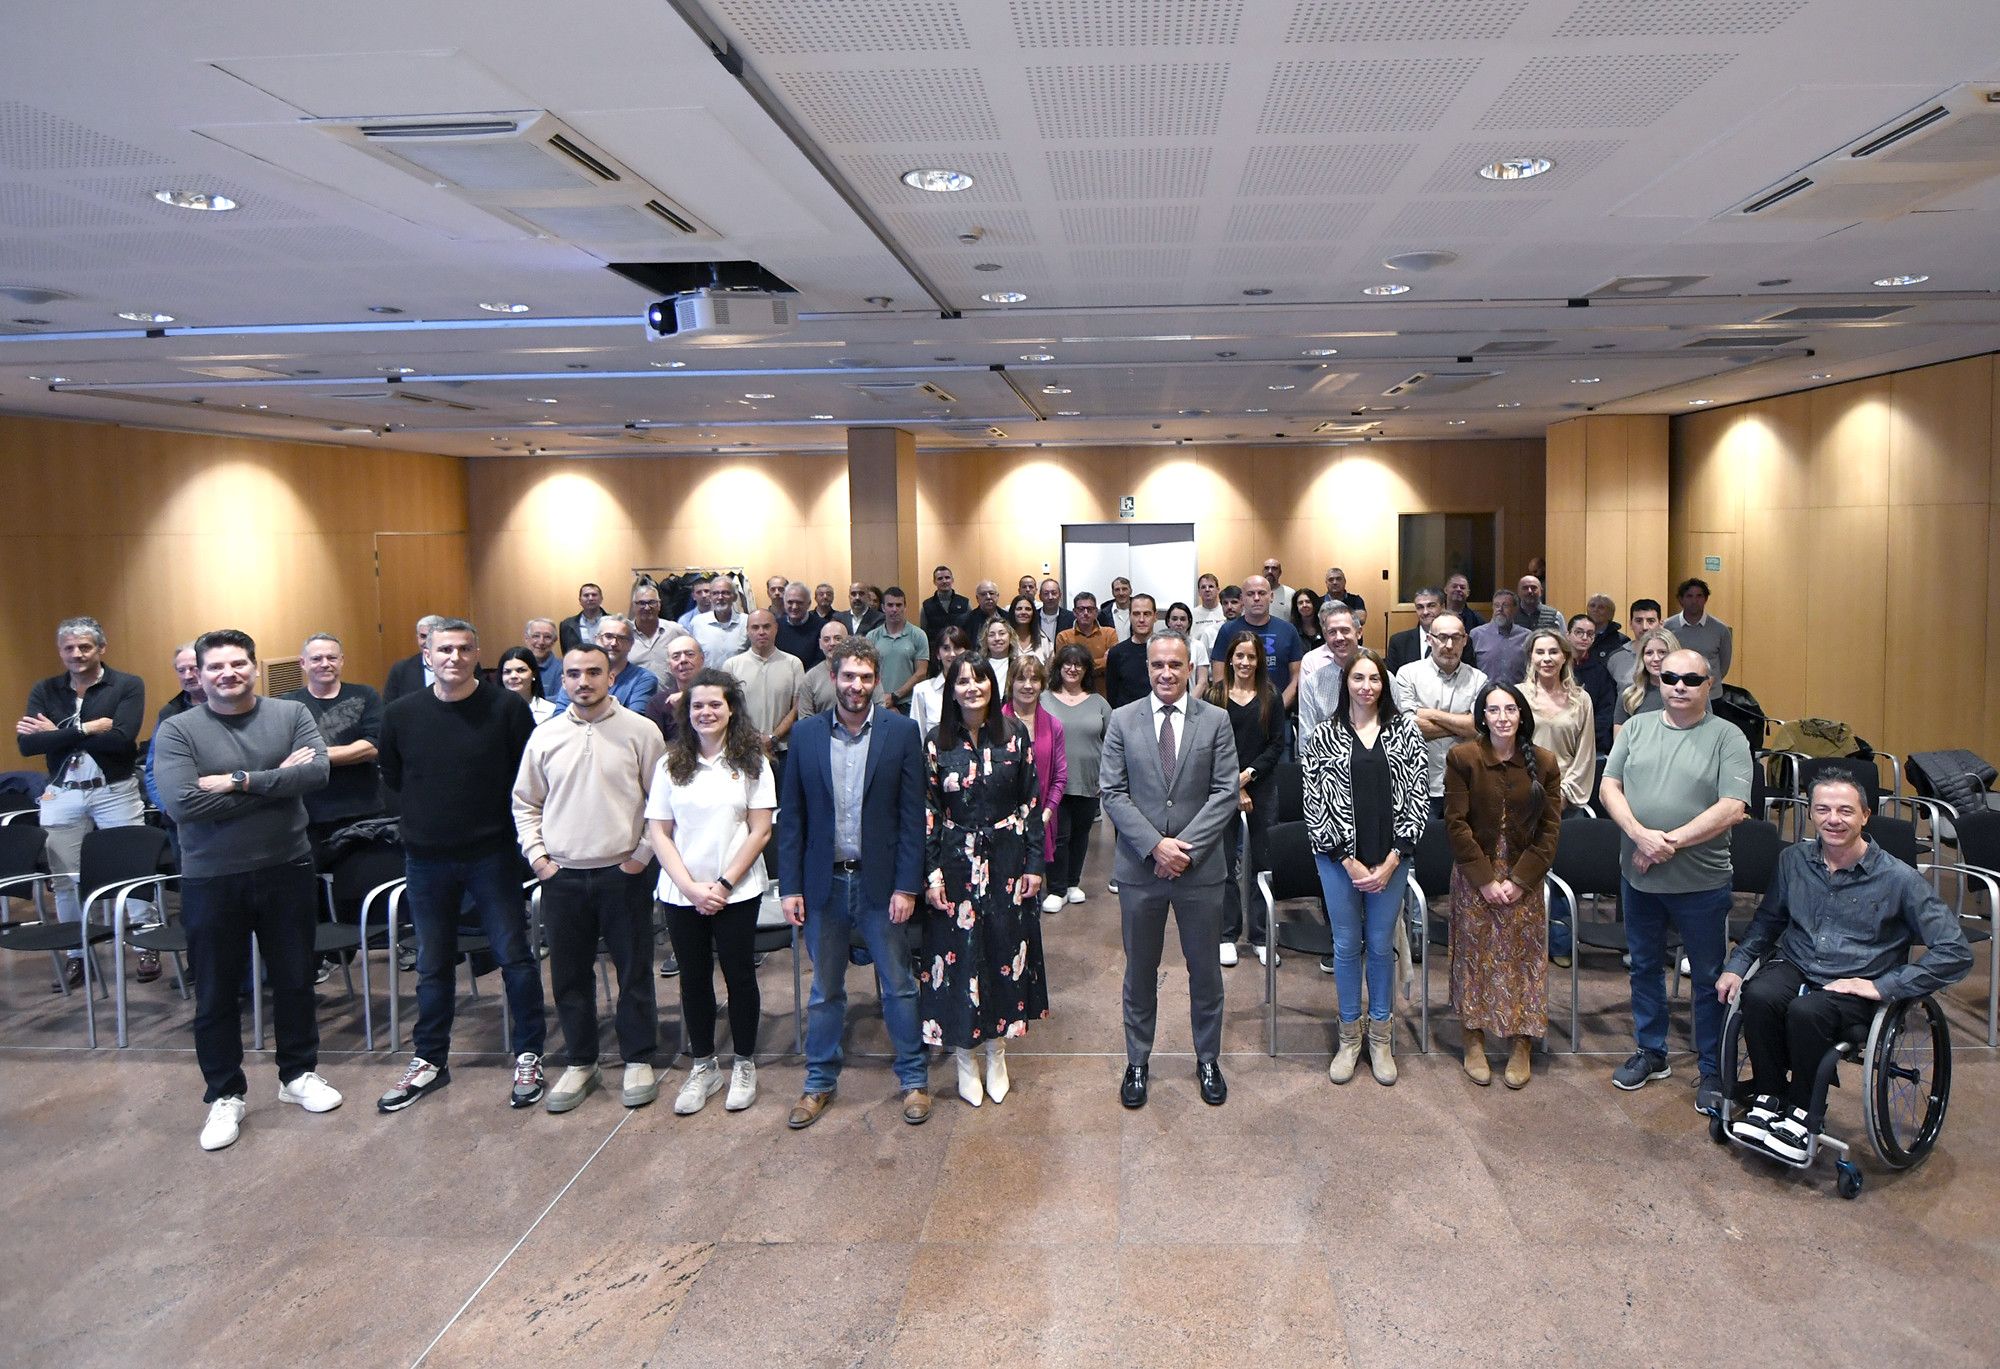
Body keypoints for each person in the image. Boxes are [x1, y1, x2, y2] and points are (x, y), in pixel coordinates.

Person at [1718, 765, 1972, 1161]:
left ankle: (1804, 1111)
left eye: (1844, 810)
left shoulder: (1899, 879)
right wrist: (1737, 964)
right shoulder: (1793, 861)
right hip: (1799, 963)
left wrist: (1882, 987)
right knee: (1759, 993)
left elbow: (1955, 951)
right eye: (1822, 809)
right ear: (1810, 812)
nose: (1832, 820)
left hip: (1858, 979)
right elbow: (1768, 922)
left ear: (1865, 815)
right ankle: (1769, 1095)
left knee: (1807, 1012)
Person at [151, 629, 337, 1151]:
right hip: (212, 877)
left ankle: (297, 1076)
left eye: (238, 664)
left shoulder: (291, 715)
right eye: (216, 667)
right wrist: (274, 779)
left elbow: (318, 774)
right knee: (215, 992)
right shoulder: (177, 730)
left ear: (255, 667)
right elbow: (184, 805)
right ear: (198, 675)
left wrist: (235, 780)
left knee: (296, 978)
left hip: (288, 867)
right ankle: (225, 1094)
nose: (227, 674)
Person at [375, 619, 547, 1113]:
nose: (453, 657)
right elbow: (392, 776)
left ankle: (529, 1053)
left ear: (478, 655)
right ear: (426, 655)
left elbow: (527, 777)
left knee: (513, 956)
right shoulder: (402, 714)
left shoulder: (507, 709)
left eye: (463, 649)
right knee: (432, 963)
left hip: (491, 854)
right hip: (426, 857)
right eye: (443, 649)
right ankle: (430, 1059)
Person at [778, 638, 933, 1128]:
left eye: (866, 677)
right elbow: (793, 819)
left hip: (881, 885)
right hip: (823, 883)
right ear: (832, 675)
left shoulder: (901, 732)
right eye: (849, 676)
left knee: (900, 985)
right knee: (825, 990)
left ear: (876, 679)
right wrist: (790, 887)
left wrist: (907, 886)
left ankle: (913, 1078)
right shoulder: (804, 736)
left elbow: (913, 818)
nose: (858, 686)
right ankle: (818, 1082)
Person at [512, 643, 666, 1114]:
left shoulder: (642, 731)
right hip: (562, 876)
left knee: (634, 970)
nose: (584, 681)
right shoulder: (545, 736)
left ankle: (638, 1057)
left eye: (594, 672)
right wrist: (539, 859)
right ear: (563, 681)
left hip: (624, 872)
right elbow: (525, 804)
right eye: (574, 673)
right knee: (569, 975)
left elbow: (660, 803)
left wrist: (640, 857)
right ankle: (581, 1061)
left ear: (611, 677)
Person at [1598, 648, 1753, 1115]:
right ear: (1658, 682)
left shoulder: (1729, 736)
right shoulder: (1638, 726)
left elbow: (1733, 807)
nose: (1679, 686)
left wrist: (1667, 843)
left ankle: (1711, 1068)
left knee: (1709, 979)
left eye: (1691, 678)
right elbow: (1609, 785)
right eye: (1670, 678)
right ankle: (1652, 1052)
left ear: (1710, 685)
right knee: (1644, 967)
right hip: (1638, 880)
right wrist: (1639, 836)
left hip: (1701, 883)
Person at [1100, 629, 1241, 1109]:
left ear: (1190, 668)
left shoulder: (1216, 721)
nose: (1166, 673)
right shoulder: (1121, 720)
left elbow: (1225, 792)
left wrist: (1184, 849)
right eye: (1157, 665)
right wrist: (1156, 847)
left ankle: (1207, 1059)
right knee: (1140, 971)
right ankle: (1137, 1061)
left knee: (1205, 972)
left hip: (1200, 873)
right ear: (1147, 667)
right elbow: (1112, 793)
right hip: (1141, 872)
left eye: (1175, 665)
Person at [922, 655, 1050, 1107]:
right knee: (960, 960)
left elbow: (1032, 804)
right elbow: (930, 812)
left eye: (979, 679)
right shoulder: (937, 742)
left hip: (1007, 862)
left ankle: (997, 1053)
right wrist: (932, 873)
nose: (972, 687)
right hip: (956, 865)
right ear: (951, 690)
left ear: (993, 686)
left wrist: (1035, 865)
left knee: (1002, 953)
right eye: (963, 681)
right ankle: (963, 1058)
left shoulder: (1014, 736)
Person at [646, 669, 774, 1117]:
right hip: (682, 892)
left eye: (714, 704)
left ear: (731, 708)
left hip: (736, 891)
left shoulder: (752, 762)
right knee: (693, 979)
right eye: (697, 705)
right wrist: (689, 887)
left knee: (740, 977)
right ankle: (704, 1064)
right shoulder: (670, 763)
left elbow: (760, 831)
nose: (705, 712)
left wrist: (720, 886)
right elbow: (659, 832)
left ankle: (743, 1062)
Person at [1303, 649, 1429, 1085]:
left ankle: (1380, 1036)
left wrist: (1394, 858)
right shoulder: (1323, 735)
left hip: (1391, 861)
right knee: (1345, 945)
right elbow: (1313, 803)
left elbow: (1418, 799)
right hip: (1338, 862)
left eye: (1374, 679)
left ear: (1384, 685)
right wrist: (1348, 861)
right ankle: (1349, 1036)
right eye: (1358, 678)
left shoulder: (1405, 733)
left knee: (1379, 946)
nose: (1366, 686)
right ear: (1346, 684)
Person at [1444, 682, 1564, 1090]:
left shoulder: (1544, 763)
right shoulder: (1463, 757)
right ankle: (1473, 1037)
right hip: (1474, 873)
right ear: (1482, 716)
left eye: (1510, 709)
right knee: (1475, 956)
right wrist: (1483, 880)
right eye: (1493, 710)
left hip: (1524, 875)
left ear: (1521, 715)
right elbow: (1455, 824)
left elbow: (1550, 830)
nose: (1502, 717)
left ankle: (1522, 1040)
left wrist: (1520, 879)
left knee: (1522, 957)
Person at [18, 615, 148, 989]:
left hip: (114, 790)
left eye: (85, 647)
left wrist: (55, 733)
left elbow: (122, 740)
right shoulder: (45, 689)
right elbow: (28, 745)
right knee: (64, 878)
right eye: (69, 648)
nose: (76, 654)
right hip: (62, 793)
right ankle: (78, 954)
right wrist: (89, 728)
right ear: (60, 652)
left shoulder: (126, 684)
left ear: (101, 649)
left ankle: (145, 942)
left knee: (131, 867)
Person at [1207, 631, 1287, 964]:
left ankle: (1260, 935)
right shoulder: (1215, 696)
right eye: (1239, 656)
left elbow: (1276, 745)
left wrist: (1248, 776)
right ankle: (1227, 934)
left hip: (1263, 787)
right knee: (1224, 863)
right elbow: (1210, 746)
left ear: (1259, 661)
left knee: (1262, 862)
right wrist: (1234, 785)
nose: (1244, 662)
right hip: (1221, 789)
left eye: (1251, 657)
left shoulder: (1271, 696)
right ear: (1230, 659)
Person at [282, 633, 383, 861]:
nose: (325, 664)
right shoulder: (286, 705)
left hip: (362, 810)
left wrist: (314, 757)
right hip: (308, 815)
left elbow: (372, 747)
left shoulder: (366, 695)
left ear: (341, 661)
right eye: (317, 659)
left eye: (332, 658)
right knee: (314, 889)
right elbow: (284, 754)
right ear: (303, 663)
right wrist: (350, 752)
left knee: (358, 889)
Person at [1391, 613, 1488, 820]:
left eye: (1456, 637)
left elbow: (1478, 728)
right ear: (1429, 639)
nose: (1449, 645)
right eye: (1442, 637)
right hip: (1419, 786)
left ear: (1465, 640)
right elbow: (1409, 729)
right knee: (1425, 851)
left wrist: (1429, 714)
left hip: (1466, 786)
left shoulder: (1479, 679)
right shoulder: (1407, 675)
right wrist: (1462, 722)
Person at [1043, 645, 1112, 913]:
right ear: (1059, 667)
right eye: (1067, 664)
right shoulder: (1045, 700)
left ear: (1086, 670)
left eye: (1079, 664)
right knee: (1059, 835)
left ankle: (1073, 883)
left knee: (1081, 834)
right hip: (1053, 782)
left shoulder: (1099, 703)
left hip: (1089, 780)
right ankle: (1057, 888)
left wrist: (1107, 778)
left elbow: (1113, 742)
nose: (1072, 669)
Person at [1004, 655, 1068, 915]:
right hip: (1002, 826)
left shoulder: (1053, 725)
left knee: (1031, 898)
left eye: (1034, 679)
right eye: (1021, 678)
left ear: (1042, 684)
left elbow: (1060, 776)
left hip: (1039, 823)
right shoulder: (995, 723)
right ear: (1011, 683)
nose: (1028, 685)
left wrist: (1046, 814)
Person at [722, 610, 804, 779]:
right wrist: (752, 737)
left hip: (783, 751)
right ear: (747, 630)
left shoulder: (793, 663)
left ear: (776, 628)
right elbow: (728, 707)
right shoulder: (731, 666)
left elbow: (797, 707)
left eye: (766, 627)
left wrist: (773, 737)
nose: (761, 632)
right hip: (744, 749)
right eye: (755, 627)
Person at [1210, 575, 1305, 711]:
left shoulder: (1288, 630)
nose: (1256, 598)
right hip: (1235, 715)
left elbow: (1296, 678)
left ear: (1271, 596)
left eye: (1261, 593)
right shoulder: (1227, 630)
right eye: (1250, 594)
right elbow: (1219, 678)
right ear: (1242, 599)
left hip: (1280, 714)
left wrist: (1277, 710)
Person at [550, 614, 658, 716]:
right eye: (608, 636)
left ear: (631, 644)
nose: (614, 643)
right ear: (597, 639)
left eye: (621, 638)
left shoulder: (644, 679)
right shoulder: (577, 674)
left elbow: (635, 719)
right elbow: (560, 716)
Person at [1297, 600, 1365, 736]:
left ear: (1359, 632)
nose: (1339, 637)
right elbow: (1307, 734)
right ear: (1325, 636)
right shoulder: (1313, 682)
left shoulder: (1379, 674)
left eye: (1345, 630)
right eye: (1332, 632)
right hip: (1326, 754)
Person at [865, 586, 929, 713]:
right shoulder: (872, 636)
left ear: (905, 607)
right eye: (890, 605)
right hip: (879, 702)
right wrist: (882, 698)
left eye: (899, 605)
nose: (894, 609)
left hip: (909, 704)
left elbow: (921, 673)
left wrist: (895, 696)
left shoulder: (918, 635)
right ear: (883, 607)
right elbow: (867, 671)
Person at [1613, 625, 1684, 737]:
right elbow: (1619, 744)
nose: (1656, 659)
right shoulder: (1629, 694)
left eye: (1662, 652)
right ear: (1642, 657)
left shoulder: (1692, 692)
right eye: (1649, 653)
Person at [1665, 577, 1733, 682]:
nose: (1694, 601)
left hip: (1712, 694)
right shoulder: (1667, 627)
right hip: (1678, 690)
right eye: (1689, 596)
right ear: (1681, 600)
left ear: (1706, 599)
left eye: (1699, 596)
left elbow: (1724, 666)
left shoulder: (1720, 629)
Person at [641, 634, 706, 744]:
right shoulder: (658, 703)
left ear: (702, 659)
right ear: (669, 665)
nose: (683, 660)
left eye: (690, 654)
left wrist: (688, 698)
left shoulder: (719, 695)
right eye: (676, 657)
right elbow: (654, 745)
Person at [1568, 614, 1617, 757]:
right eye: (1579, 632)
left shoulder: (1600, 671)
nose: (1584, 637)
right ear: (1568, 634)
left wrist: (1585, 738)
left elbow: (1605, 712)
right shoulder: (1556, 667)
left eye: (1590, 634)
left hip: (1591, 744)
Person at [910, 626, 967, 743]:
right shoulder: (922, 690)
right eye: (946, 648)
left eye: (957, 647)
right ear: (938, 654)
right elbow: (917, 735)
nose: (952, 654)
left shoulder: (975, 689)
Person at [1052, 592, 1115, 696]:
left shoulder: (1110, 633)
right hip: (1072, 694)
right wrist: (1101, 663)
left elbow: (1112, 663)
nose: (1085, 613)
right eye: (1081, 609)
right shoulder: (1063, 637)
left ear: (1096, 612)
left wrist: (1078, 665)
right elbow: (1064, 668)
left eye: (1090, 609)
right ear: (1074, 612)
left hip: (1104, 694)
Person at [1104, 593, 1159, 708]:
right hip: (1127, 720)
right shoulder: (1116, 653)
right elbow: (1112, 694)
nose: (1141, 619)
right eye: (1136, 614)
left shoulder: (1165, 650)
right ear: (1129, 616)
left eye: (1147, 614)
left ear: (1155, 616)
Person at [1469, 589, 1529, 685]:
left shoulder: (1527, 637)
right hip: (1484, 694)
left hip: (1516, 695)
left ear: (1515, 609)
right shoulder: (1476, 635)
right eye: (1496, 605)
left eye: (1505, 605)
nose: (1500, 609)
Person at [626, 580, 681, 685]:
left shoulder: (675, 630)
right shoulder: (624, 634)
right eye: (641, 603)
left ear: (659, 605)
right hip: (635, 699)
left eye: (652, 602)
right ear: (634, 606)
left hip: (670, 698)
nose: (647, 607)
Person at [690, 574, 748, 666]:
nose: (720, 597)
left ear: (735, 597)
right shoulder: (697, 623)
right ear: (710, 597)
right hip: (708, 679)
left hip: (739, 679)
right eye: (715, 593)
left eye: (725, 593)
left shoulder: (746, 622)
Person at [383, 614, 442, 704]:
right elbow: (388, 707)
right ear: (417, 637)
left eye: (433, 637)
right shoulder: (401, 669)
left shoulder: (460, 666)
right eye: (423, 636)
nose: (427, 642)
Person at [1606, 599, 1662, 692]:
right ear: (1630, 624)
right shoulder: (1616, 658)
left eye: (1651, 621)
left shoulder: (1671, 657)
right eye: (1639, 621)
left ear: (1660, 624)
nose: (1645, 627)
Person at [496, 645, 559, 726]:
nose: (513, 676)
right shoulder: (491, 711)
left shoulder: (551, 712)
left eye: (521, 670)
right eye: (507, 672)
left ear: (534, 674)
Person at [921, 565, 970, 655]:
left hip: (960, 652)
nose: (944, 581)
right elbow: (924, 633)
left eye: (947, 577)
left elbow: (970, 630)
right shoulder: (927, 605)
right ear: (934, 582)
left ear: (952, 580)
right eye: (940, 578)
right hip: (936, 654)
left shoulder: (965, 603)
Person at [774, 582, 825, 668]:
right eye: (790, 602)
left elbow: (821, 661)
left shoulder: (822, 627)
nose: (794, 607)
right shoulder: (775, 626)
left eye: (799, 603)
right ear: (784, 602)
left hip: (809, 678)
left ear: (809, 604)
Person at [977, 614, 1019, 699]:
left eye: (1002, 633)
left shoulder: (1017, 666)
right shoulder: (978, 666)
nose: (997, 638)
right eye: (991, 635)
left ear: (1010, 637)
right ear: (985, 640)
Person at [557, 582, 606, 653]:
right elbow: (566, 653)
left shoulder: (614, 622)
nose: (590, 598)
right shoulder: (567, 625)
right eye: (586, 595)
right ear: (580, 600)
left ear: (601, 599)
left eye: (594, 595)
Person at [524, 618, 564, 698]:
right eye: (536, 636)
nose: (541, 642)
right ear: (526, 639)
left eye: (547, 637)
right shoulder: (516, 668)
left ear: (554, 641)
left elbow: (560, 699)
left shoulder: (563, 668)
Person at [1007, 593, 1050, 666]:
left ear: (1033, 613)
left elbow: (1050, 671)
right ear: (1012, 612)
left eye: (1028, 609)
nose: (1023, 612)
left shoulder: (1043, 641)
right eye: (1019, 609)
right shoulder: (1005, 639)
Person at [1035, 577, 1073, 644]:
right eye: (1046, 593)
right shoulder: (1033, 616)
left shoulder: (1071, 617)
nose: (1050, 597)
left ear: (1060, 595)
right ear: (1040, 597)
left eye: (1054, 593)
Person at [1261, 557, 1296, 627]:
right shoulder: (1254, 593)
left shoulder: (1290, 593)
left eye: (1274, 568)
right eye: (1266, 568)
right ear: (1263, 571)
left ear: (1280, 573)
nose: (1270, 571)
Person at [1289, 587, 1324, 652]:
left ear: (1314, 604)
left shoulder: (1325, 627)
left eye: (1308, 602)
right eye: (1300, 603)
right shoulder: (1291, 630)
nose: (1304, 605)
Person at [1105, 576, 1135, 641]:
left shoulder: (1139, 611)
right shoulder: (1104, 615)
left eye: (1124, 589)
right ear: (1113, 592)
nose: (1121, 593)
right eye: (1117, 590)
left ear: (1131, 591)